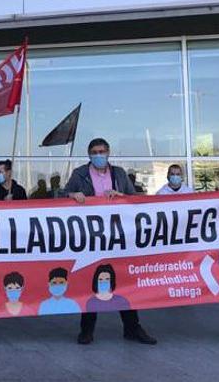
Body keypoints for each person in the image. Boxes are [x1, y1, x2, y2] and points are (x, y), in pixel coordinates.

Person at [63, 138, 156, 345]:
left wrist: (121, 195)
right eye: (95, 152)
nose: (99, 155)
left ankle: (132, 327)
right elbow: (61, 195)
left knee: (123, 280)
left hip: (118, 236)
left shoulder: (119, 174)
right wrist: (72, 194)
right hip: (92, 237)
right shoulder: (80, 174)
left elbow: (134, 198)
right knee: (92, 282)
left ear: (108, 152)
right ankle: (87, 330)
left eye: (102, 151)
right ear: (89, 154)